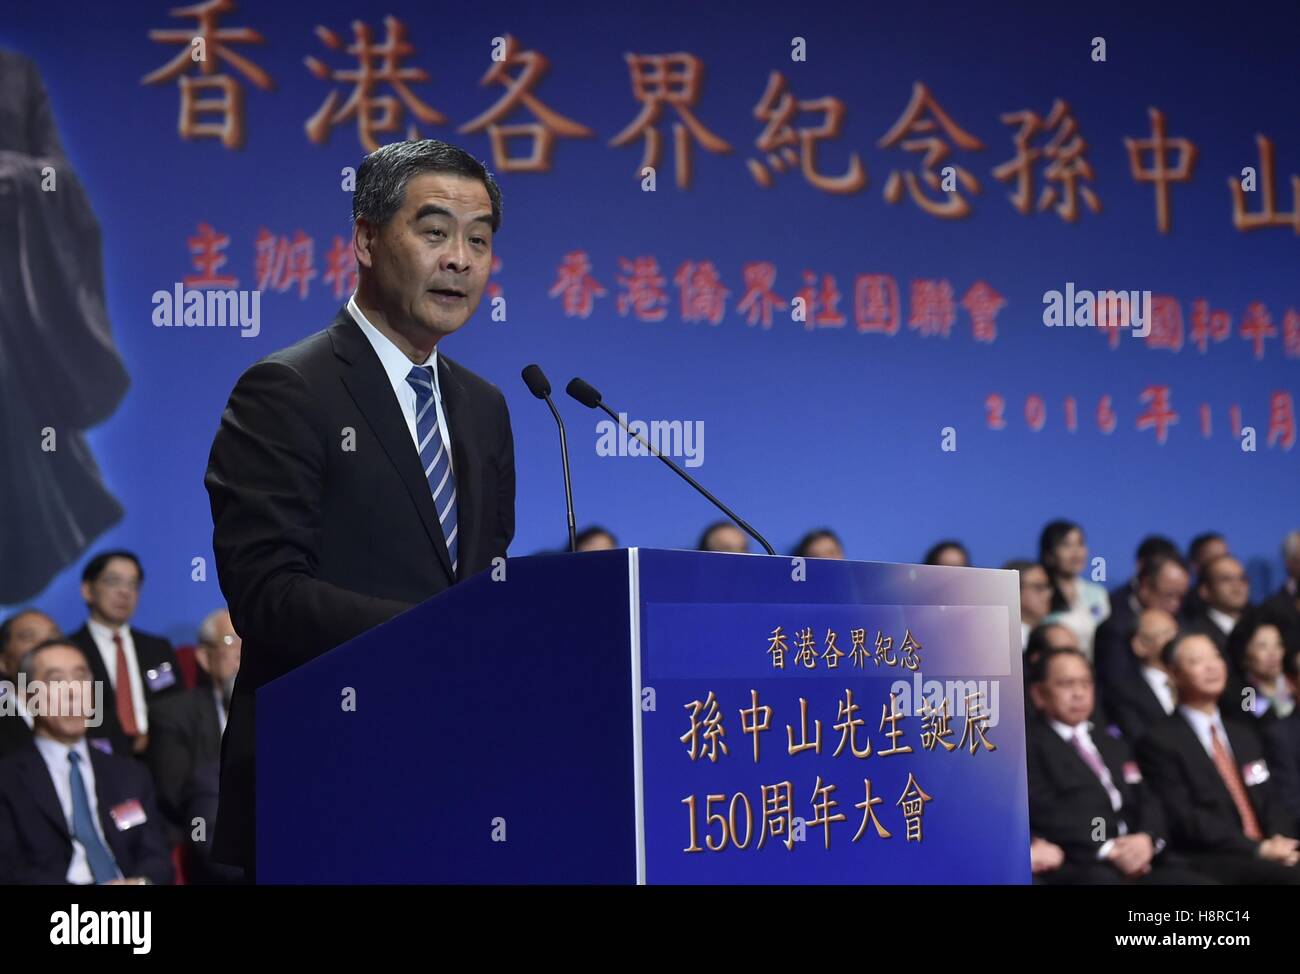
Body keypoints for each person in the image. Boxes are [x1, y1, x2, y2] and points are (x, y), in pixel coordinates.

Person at [204, 139, 516, 878]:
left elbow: (483, 584)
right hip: (322, 783)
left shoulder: (486, 408)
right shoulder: (287, 389)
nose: (461, 260)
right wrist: (439, 636)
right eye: (435, 231)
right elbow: (267, 594)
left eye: (479, 240)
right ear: (367, 241)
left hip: (456, 788)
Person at [1025, 648, 1210, 884]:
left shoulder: (1112, 742)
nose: (1079, 693)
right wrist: (1108, 847)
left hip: (1142, 856)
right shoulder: (1027, 747)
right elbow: (1044, 811)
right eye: (1066, 684)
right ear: (1039, 694)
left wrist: (1147, 838)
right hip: (1085, 863)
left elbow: (1146, 797)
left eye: (1086, 683)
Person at [0, 640, 172, 885]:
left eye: (81, 678)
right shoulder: (8, 780)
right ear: (29, 698)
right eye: (56, 680)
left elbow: (157, 856)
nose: (73, 691)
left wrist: (140, 882)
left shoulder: (129, 773)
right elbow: (10, 870)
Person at [1136, 632, 1300, 883]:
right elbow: (1186, 818)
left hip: (1268, 848)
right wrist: (1257, 849)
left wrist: (1280, 839)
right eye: (1196, 661)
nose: (1211, 666)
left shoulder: (1243, 734)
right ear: (1174, 674)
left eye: (1215, 656)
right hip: (1212, 856)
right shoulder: (1159, 741)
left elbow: (1270, 797)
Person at [68, 551, 181, 758]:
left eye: (133, 584)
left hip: (161, 755)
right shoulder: (70, 651)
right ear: (87, 590)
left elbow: (177, 705)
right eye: (113, 582)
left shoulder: (158, 648)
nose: (124, 592)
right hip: (100, 756)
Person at [1093, 552, 1187, 690]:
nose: (1175, 605)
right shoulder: (1114, 629)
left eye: (1181, 597)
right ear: (1145, 587)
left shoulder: (1182, 621)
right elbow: (1117, 685)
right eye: (1169, 595)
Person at [1102, 609, 1179, 744]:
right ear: (1140, 645)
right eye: (1166, 634)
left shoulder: (1193, 677)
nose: (1177, 640)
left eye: (1177, 632)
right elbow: (1140, 739)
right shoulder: (1123, 692)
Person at [1039, 520, 1110, 658]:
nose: (1076, 552)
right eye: (1066, 545)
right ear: (1049, 553)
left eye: (1080, 543)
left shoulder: (1098, 594)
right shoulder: (1040, 594)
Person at [0, 609, 61, 758]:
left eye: (53, 637)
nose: (44, 645)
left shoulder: (95, 716)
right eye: (28, 637)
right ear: (3, 662)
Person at [1004, 560, 1052, 650]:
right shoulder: (1004, 642)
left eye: (1047, 587)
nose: (1048, 594)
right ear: (1014, 590)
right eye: (1039, 587)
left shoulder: (1052, 636)